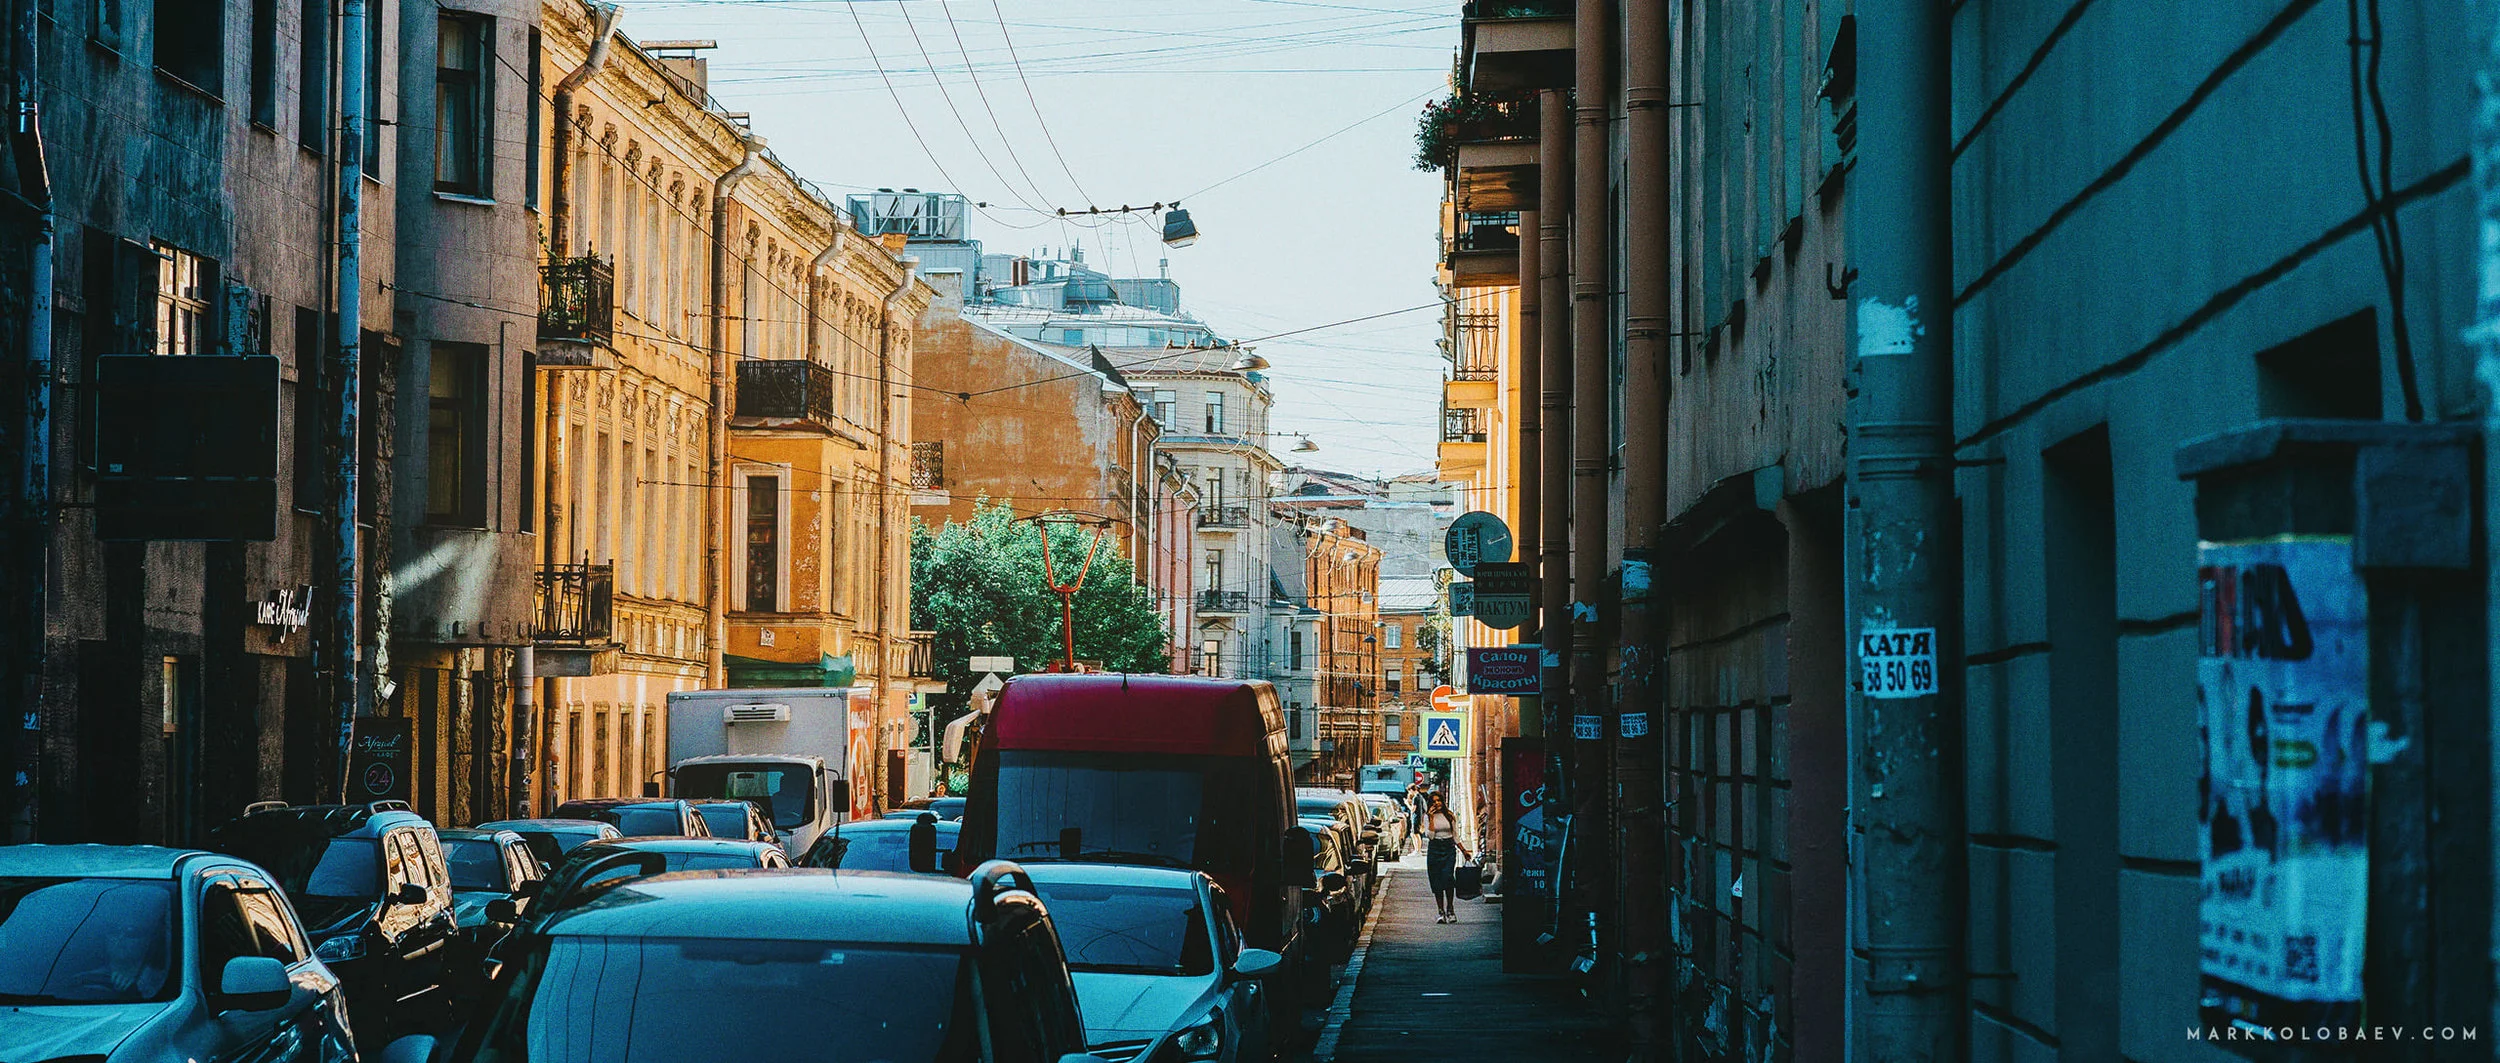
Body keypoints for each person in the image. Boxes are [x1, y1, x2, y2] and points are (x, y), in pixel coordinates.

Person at [1422, 791, 1471, 924]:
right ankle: (1440, 911)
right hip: (1435, 849)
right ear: (1430, 804)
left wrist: (1463, 850)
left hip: (1449, 848)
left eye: (1439, 801)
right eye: (1434, 801)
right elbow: (1430, 836)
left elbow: (1455, 835)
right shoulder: (1427, 817)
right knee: (1436, 880)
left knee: (1448, 877)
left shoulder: (1449, 816)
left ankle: (1450, 909)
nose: (1437, 803)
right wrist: (1431, 818)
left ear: (1442, 802)